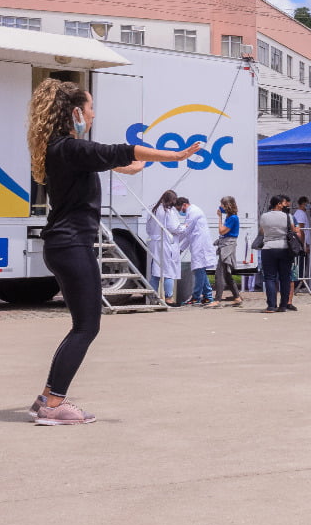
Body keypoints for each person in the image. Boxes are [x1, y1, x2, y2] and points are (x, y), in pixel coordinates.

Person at [25, 78, 202, 425]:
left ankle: (47, 397)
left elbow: (126, 162)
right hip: (72, 244)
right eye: (90, 109)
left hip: (65, 245)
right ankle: (53, 404)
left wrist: (145, 162)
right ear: (76, 112)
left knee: (83, 325)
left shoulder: (63, 150)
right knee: (86, 327)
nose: (92, 116)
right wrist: (176, 154)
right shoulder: (71, 149)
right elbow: (123, 151)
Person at [257, 195, 300, 313]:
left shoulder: (264, 216)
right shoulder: (287, 216)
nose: (283, 205)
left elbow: (262, 230)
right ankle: (283, 305)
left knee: (270, 278)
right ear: (278, 204)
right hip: (284, 248)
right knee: (284, 278)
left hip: (268, 248)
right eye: (282, 203)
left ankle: (271, 305)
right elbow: (292, 229)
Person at [145, 189, 184, 304]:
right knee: (169, 272)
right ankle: (169, 299)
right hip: (166, 244)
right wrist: (184, 227)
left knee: (156, 271)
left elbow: (148, 229)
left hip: (154, 243)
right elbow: (174, 228)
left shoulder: (153, 209)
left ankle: (152, 298)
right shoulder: (168, 211)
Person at [176, 196, 217, 306]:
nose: (180, 212)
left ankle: (196, 297)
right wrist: (179, 248)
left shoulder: (193, 212)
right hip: (198, 245)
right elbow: (189, 235)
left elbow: (185, 231)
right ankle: (208, 296)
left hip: (201, 246)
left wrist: (173, 242)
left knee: (199, 271)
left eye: (179, 209)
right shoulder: (191, 212)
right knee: (200, 271)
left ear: (184, 204)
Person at [213, 195, 243, 307]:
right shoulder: (230, 217)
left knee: (219, 272)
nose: (220, 207)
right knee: (226, 273)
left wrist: (219, 218)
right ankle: (237, 297)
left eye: (222, 205)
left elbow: (222, 231)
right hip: (225, 244)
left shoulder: (233, 218)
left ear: (227, 206)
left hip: (227, 246)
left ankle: (217, 300)